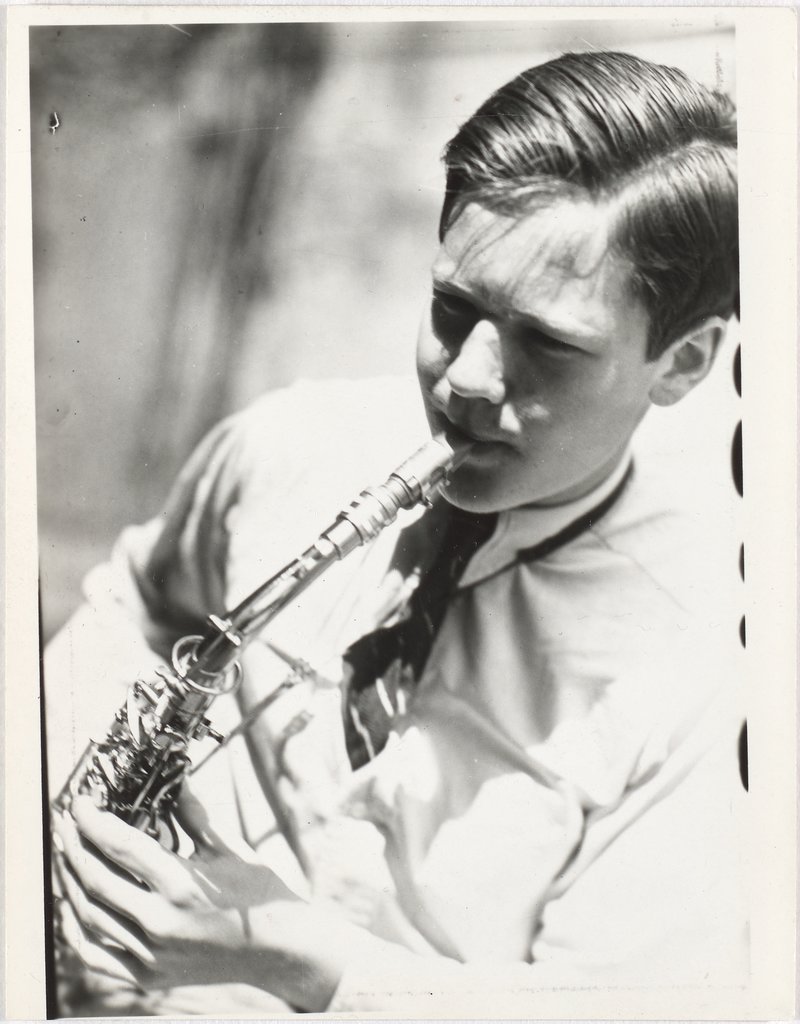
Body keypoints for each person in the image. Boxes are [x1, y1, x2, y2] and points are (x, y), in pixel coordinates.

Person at [47, 49, 745, 1016]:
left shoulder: (709, 671)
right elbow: (132, 608)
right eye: (452, 309)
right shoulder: (290, 442)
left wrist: (303, 959)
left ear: (685, 363)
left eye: (547, 343)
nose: (463, 380)